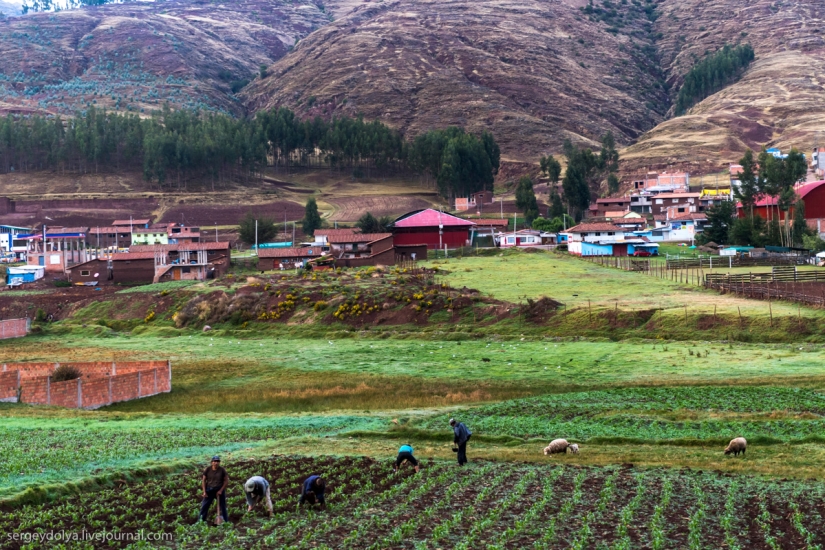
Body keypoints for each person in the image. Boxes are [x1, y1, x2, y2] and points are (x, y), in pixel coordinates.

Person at [200, 456, 229, 524]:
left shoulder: (222, 470)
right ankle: (201, 521)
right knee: (204, 506)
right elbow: (204, 481)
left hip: (219, 490)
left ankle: (225, 520)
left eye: (217, 461)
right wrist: (204, 492)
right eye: (214, 461)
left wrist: (221, 490)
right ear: (212, 462)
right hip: (209, 490)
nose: (216, 463)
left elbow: (226, 481)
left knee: (223, 506)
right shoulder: (208, 469)